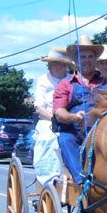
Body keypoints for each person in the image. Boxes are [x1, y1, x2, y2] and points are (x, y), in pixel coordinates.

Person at [53, 35, 107, 184]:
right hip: (76, 132)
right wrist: (75, 117)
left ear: (96, 59)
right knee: (64, 139)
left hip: (103, 131)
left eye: (90, 56)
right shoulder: (66, 84)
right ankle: (82, 180)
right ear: (76, 61)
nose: (87, 60)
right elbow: (59, 112)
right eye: (83, 57)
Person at [33, 47, 73, 185]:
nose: (48, 67)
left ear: (63, 65)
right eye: (48, 64)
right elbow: (39, 107)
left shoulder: (72, 80)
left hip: (70, 120)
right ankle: (48, 180)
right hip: (48, 120)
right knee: (50, 138)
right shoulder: (43, 80)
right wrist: (55, 120)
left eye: (52, 64)